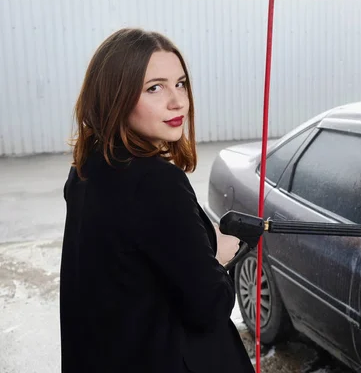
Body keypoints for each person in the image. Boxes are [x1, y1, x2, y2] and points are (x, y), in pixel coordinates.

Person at [60, 28, 255, 373]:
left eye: (180, 84)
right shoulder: (157, 182)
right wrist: (218, 255)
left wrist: (196, 237)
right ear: (114, 96)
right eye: (155, 88)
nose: (178, 101)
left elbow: (126, 268)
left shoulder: (86, 168)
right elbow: (208, 308)